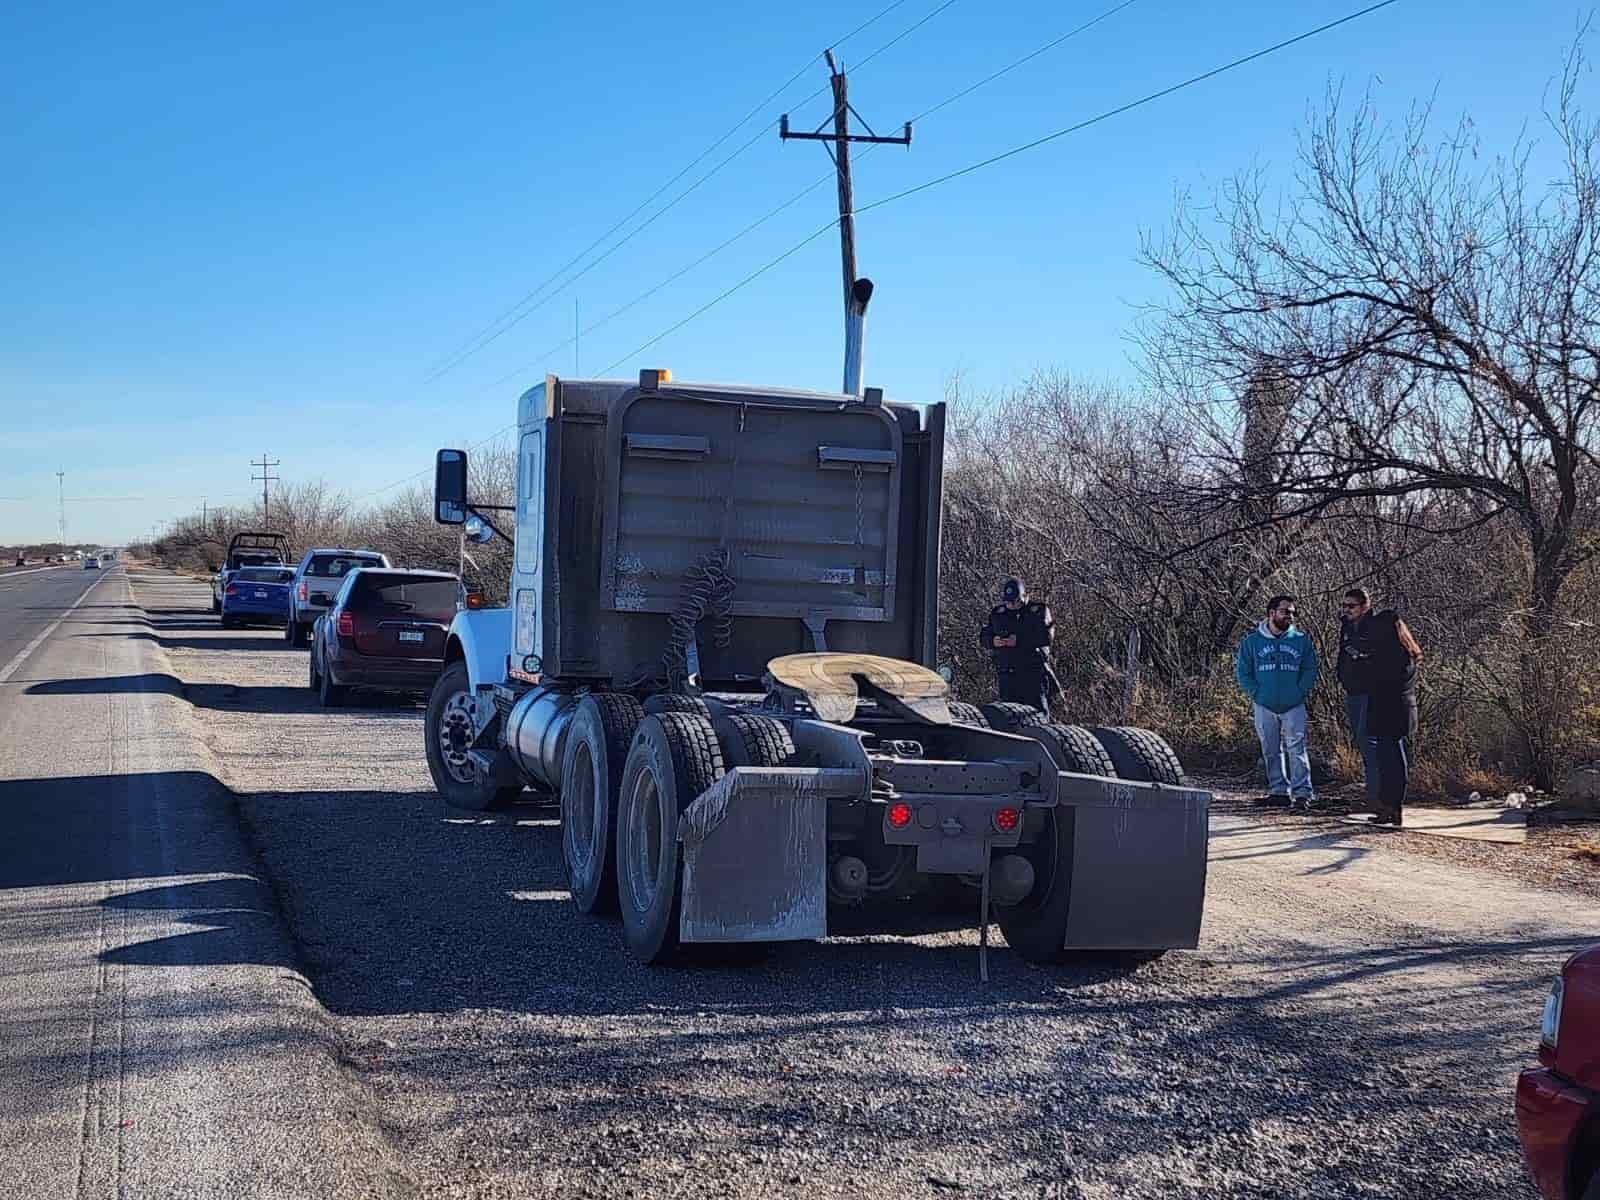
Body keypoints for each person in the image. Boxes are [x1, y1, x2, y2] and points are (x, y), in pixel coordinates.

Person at [1339, 589, 1423, 826]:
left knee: (1393, 761)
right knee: (1388, 760)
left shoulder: (1399, 657)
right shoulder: (1402, 653)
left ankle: (1393, 806)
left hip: (1393, 711)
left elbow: (1384, 676)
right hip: (1388, 710)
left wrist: (1365, 661)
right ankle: (1388, 806)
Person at [1235, 594, 1319, 809]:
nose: (1290, 616)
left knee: (1296, 748)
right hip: (1264, 704)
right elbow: (1244, 672)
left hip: (1293, 704)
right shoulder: (1252, 642)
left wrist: (1299, 692)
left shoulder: (1301, 640)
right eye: (1285, 611)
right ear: (1272, 613)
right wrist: (1257, 693)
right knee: (1270, 749)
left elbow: (1310, 669)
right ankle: (1278, 791)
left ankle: (1302, 793)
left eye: (1292, 612)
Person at [1336, 588, 1383, 813]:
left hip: (1371, 693)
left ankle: (1377, 797)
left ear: (1365, 606)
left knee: (1371, 744)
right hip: (1352, 692)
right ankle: (1372, 794)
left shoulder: (1375, 627)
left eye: (1351, 606)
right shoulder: (1346, 626)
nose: (1346, 611)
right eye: (1344, 606)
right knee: (1363, 744)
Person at [979, 577, 1054, 714]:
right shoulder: (998, 614)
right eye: (1008, 602)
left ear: (1023, 597)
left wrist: (1019, 641)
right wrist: (994, 641)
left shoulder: (1037, 611)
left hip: (1032, 675)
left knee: (1037, 715)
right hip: (1008, 676)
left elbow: (1046, 636)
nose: (1011, 605)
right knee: (1009, 717)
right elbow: (984, 636)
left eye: (1015, 602)